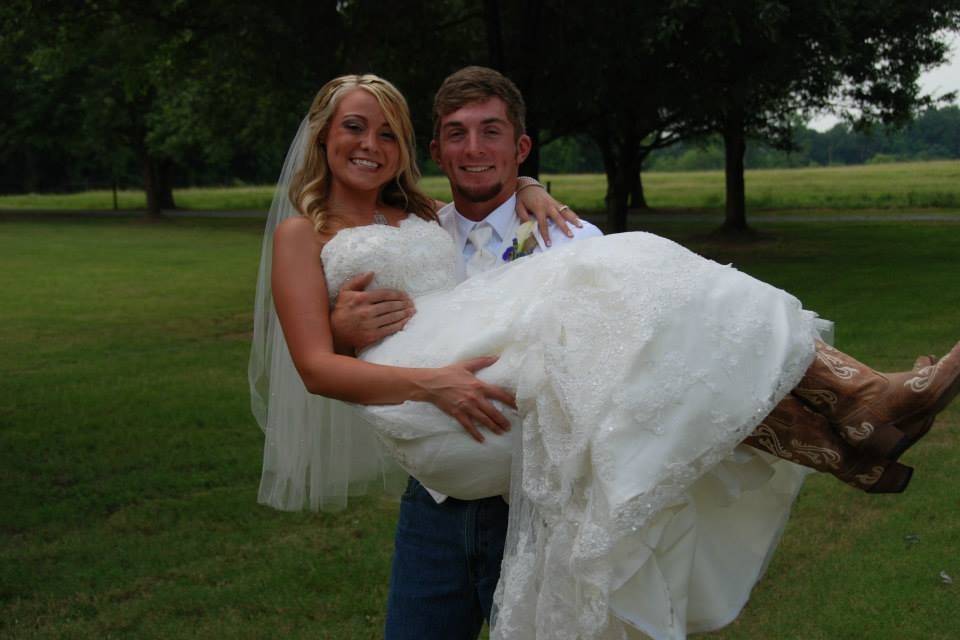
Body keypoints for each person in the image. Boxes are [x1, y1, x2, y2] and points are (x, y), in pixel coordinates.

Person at [250, 71, 960, 640]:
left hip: (529, 461)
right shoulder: (342, 230)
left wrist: (529, 192)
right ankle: (855, 404)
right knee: (635, 278)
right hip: (441, 459)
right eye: (355, 127)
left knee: (651, 321)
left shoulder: (497, 225)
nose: (472, 151)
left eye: (490, 135)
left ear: (519, 149)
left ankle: (852, 428)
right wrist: (352, 333)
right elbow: (315, 362)